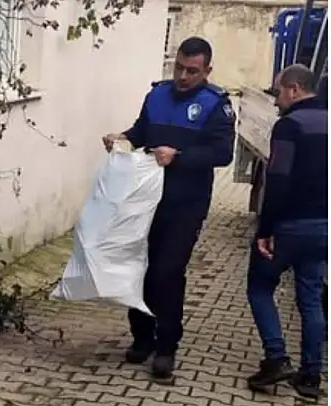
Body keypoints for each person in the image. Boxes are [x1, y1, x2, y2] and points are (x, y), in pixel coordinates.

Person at [102, 36, 236, 379]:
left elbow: (223, 153)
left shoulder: (216, 105)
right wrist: (122, 138)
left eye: (192, 71)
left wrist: (180, 157)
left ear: (207, 71)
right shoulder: (157, 95)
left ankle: (166, 346)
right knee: (141, 267)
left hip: (186, 204)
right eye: (179, 68)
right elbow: (141, 131)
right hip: (146, 200)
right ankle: (142, 337)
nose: (183, 76)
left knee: (167, 273)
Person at [245, 64, 328, 400]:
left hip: (291, 224)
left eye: (279, 91)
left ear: (295, 89)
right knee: (311, 299)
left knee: (259, 286)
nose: (277, 99)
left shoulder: (289, 125)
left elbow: (278, 179)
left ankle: (277, 358)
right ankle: (311, 376)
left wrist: (265, 229)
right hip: (323, 227)